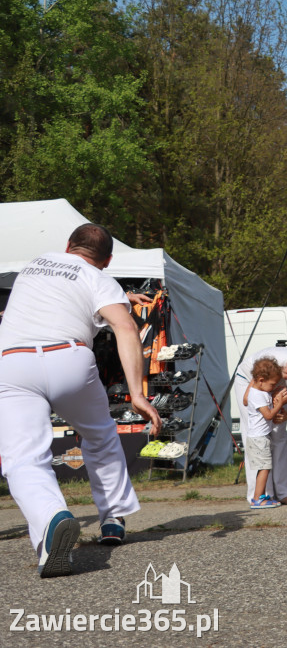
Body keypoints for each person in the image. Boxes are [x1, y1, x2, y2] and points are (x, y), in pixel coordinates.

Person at [0, 223, 161, 578]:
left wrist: (117, 298)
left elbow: (60, 292)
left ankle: (51, 522)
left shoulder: (36, 263)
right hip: (68, 359)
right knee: (100, 437)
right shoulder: (102, 280)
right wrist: (137, 394)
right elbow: (126, 328)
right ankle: (112, 519)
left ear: (68, 244)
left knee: (23, 459)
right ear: (108, 260)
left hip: (12, 362)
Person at [233, 346, 287, 505]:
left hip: (277, 389)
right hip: (249, 382)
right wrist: (275, 403)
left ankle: (283, 493)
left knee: (279, 437)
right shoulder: (273, 360)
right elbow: (248, 399)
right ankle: (259, 495)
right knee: (256, 436)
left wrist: (284, 415)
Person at [245, 358, 287, 509]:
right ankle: (257, 498)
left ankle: (260, 496)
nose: (273, 387)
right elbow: (269, 415)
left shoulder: (261, 392)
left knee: (264, 467)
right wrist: (279, 405)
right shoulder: (256, 395)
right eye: (272, 385)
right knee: (264, 468)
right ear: (261, 380)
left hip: (261, 437)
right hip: (258, 438)